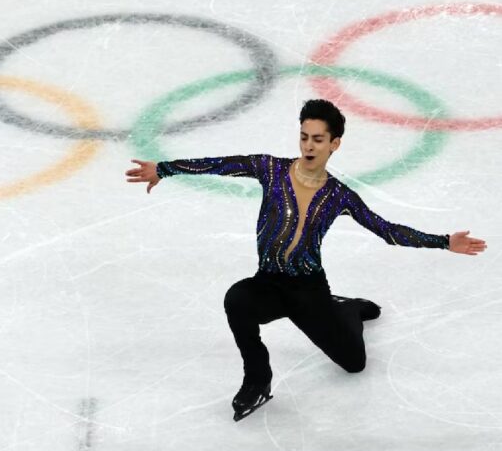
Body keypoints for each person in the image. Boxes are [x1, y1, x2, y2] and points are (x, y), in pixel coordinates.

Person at [125, 99, 487, 422]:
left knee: (354, 364)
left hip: (309, 291)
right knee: (237, 300)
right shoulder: (270, 169)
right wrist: (164, 169)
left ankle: (348, 309)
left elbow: (386, 230)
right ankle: (257, 379)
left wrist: (444, 242)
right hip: (268, 283)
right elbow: (219, 164)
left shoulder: (339, 195)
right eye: (304, 137)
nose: (309, 145)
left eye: (317, 139)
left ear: (334, 144)